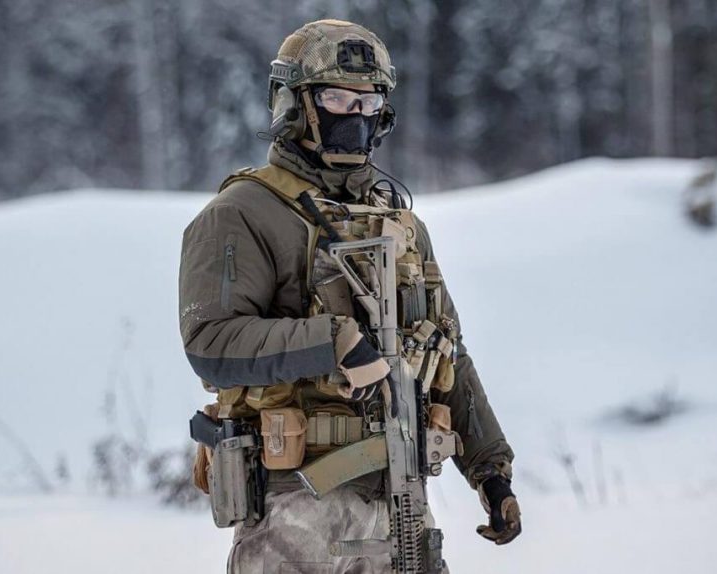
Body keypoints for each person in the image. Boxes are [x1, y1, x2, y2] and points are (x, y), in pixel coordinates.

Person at [179, 19, 521, 574]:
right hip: (297, 508)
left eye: (368, 101)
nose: (354, 115)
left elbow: (445, 351)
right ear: (295, 104)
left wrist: (490, 468)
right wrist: (333, 342)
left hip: (401, 501)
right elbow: (210, 339)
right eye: (337, 98)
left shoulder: (398, 223)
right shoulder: (241, 213)